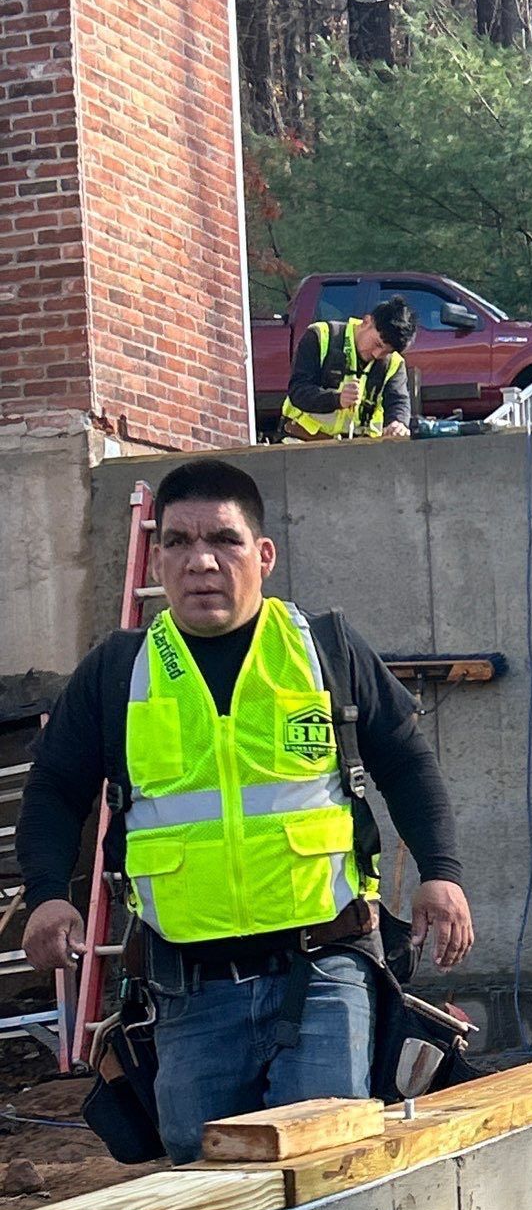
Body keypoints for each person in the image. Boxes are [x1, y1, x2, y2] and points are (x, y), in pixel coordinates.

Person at [18, 458, 474, 1159]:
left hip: (323, 968)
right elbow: (52, 790)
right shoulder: (118, 671)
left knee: (324, 1167)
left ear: (262, 555)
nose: (200, 560)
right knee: (205, 1185)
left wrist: (441, 872)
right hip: (189, 992)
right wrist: (48, 895)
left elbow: (406, 764)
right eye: (177, 542)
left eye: (223, 540)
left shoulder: (324, 650)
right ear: (160, 556)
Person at [281, 295, 417, 441]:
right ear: (367, 321)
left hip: (356, 450)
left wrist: (398, 423)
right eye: (377, 344)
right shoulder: (321, 336)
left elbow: (398, 401)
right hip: (302, 442)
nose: (377, 355)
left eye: (387, 352)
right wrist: (336, 400)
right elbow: (298, 391)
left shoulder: (394, 364)